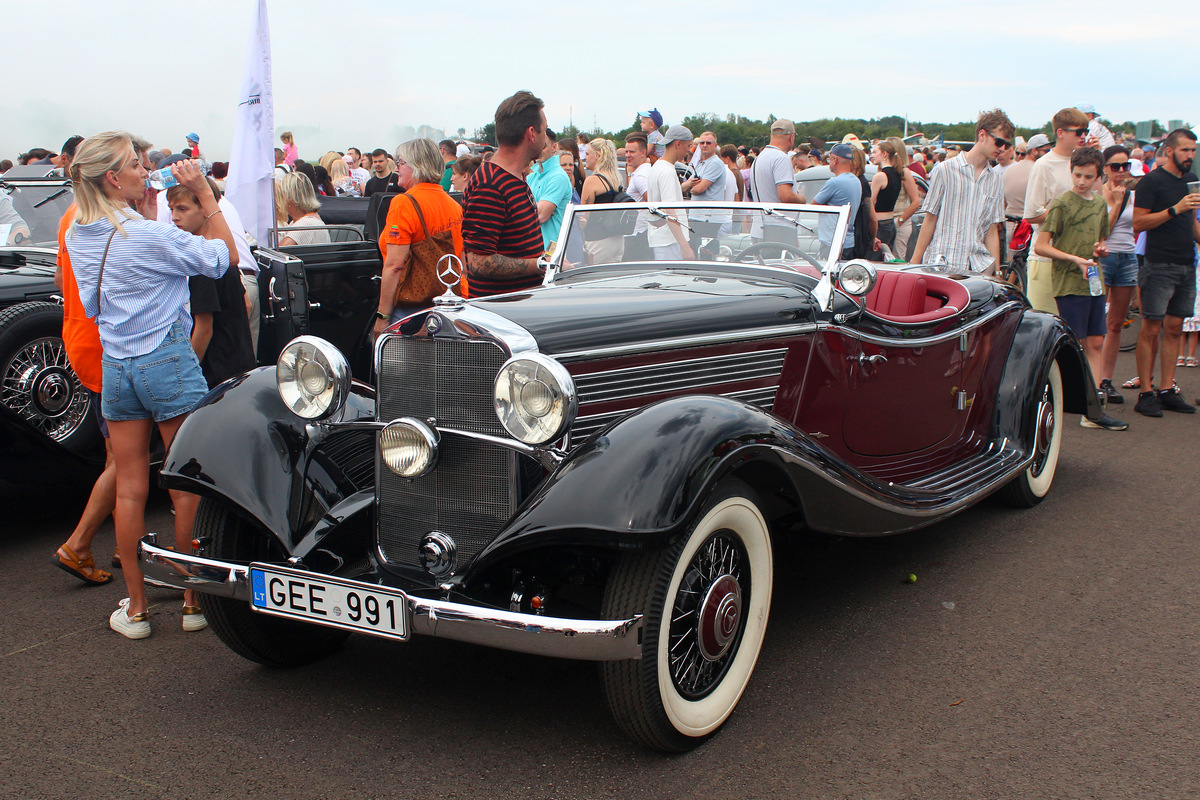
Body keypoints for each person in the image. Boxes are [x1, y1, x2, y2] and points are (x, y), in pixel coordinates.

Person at [65, 131, 238, 638]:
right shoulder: (147, 235)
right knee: (185, 488)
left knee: (130, 488)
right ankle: (191, 600)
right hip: (165, 357)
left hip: (116, 364)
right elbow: (223, 257)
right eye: (136, 165)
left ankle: (137, 607)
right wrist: (204, 195)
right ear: (113, 178)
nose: (147, 171)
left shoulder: (79, 231)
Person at [1033, 147, 1126, 430]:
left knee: (1097, 340)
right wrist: (1073, 259)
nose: (1081, 181)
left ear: (1099, 176)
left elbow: (1098, 241)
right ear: (1070, 172)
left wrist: (1100, 250)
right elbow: (1041, 245)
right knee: (1075, 344)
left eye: (1088, 176)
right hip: (1069, 281)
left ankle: (1093, 409)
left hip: (1093, 278)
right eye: (1077, 175)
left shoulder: (1099, 205)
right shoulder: (1062, 203)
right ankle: (1079, 405)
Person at [50, 198, 115, 586]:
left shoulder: (70, 214)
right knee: (124, 458)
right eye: (136, 164)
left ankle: (128, 543)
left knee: (125, 456)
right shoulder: (112, 221)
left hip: (79, 337)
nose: (144, 172)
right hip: (107, 342)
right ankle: (79, 544)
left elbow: (60, 280)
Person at [1131, 128, 1200, 416]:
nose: (1190, 156)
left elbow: (1192, 224)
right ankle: (1146, 392)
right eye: (1185, 150)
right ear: (1170, 150)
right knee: (1151, 328)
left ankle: (1167, 388)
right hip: (1158, 264)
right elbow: (1139, 223)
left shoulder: (1191, 182)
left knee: (1175, 328)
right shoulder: (1152, 181)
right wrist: (1174, 209)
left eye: (1194, 151)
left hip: (1187, 263)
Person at [168, 179, 256, 388]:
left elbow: (204, 328)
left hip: (216, 373)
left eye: (182, 208)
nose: (174, 217)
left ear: (205, 208)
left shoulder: (203, 261)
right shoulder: (222, 252)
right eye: (171, 209)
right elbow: (247, 304)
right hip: (239, 364)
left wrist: (186, 376)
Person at [460, 90, 548, 297]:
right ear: (531, 134)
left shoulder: (514, 177)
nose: (546, 138)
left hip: (520, 310)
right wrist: (539, 264)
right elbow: (478, 261)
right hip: (501, 315)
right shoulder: (490, 185)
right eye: (544, 130)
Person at [373, 139, 465, 335]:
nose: (396, 168)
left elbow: (395, 266)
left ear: (418, 166)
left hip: (412, 309)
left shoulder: (404, 203)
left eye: (401, 163)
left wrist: (383, 317)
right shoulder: (453, 205)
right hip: (448, 306)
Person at [911, 109, 1013, 275]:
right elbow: (930, 218)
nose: (1002, 149)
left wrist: (997, 274)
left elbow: (991, 230)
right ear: (982, 135)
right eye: (998, 142)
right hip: (943, 265)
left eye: (1007, 145)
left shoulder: (994, 179)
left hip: (978, 269)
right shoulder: (945, 170)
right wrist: (914, 264)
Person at [1024, 108, 1091, 312]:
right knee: (1045, 325)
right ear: (1060, 132)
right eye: (1078, 132)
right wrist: (1066, 214)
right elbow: (1032, 214)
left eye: (1086, 131)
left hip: (1077, 258)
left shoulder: (1082, 164)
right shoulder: (1044, 165)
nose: (1084, 136)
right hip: (1047, 259)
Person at [1096, 145, 1140, 405]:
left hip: (1127, 256)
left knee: (1115, 324)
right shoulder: (1100, 194)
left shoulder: (1134, 195)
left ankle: (1106, 380)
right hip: (1104, 256)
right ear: (1105, 168)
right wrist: (1114, 202)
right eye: (1116, 166)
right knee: (1096, 324)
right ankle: (1090, 377)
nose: (1122, 171)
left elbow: (1137, 226)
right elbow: (1103, 232)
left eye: (1126, 166)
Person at [749, 119, 805, 247]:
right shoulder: (781, 158)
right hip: (779, 228)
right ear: (791, 137)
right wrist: (802, 198)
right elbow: (785, 195)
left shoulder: (760, 158)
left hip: (760, 226)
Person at [646, 125, 695, 261]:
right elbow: (670, 211)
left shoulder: (658, 167)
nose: (688, 151)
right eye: (688, 146)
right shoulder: (667, 172)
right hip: (669, 241)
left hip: (663, 240)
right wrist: (684, 246)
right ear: (678, 144)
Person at [579, 138, 625, 264]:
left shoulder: (592, 180)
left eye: (587, 154)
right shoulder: (617, 178)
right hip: (618, 239)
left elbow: (584, 216)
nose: (585, 157)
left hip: (597, 239)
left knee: (590, 279)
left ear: (597, 155)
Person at [813, 143, 862, 260]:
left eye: (830, 159)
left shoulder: (834, 183)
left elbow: (814, 205)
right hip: (848, 240)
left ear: (835, 160)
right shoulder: (856, 181)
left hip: (831, 242)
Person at [871, 137, 920, 255]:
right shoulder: (886, 172)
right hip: (887, 220)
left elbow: (916, 202)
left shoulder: (903, 172)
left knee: (896, 256)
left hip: (899, 220)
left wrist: (900, 221)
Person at [277, 171, 330, 246]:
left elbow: (278, 251)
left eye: (281, 195)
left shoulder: (306, 223)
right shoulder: (303, 221)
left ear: (290, 197)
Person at [623, 132, 654, 260]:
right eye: (626, 152)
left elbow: (652, 203)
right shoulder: (644, 172)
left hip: (638, 236)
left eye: (632, 152)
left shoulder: (641, 176)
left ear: (643, 153)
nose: (628, 155)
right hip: (641, 234)